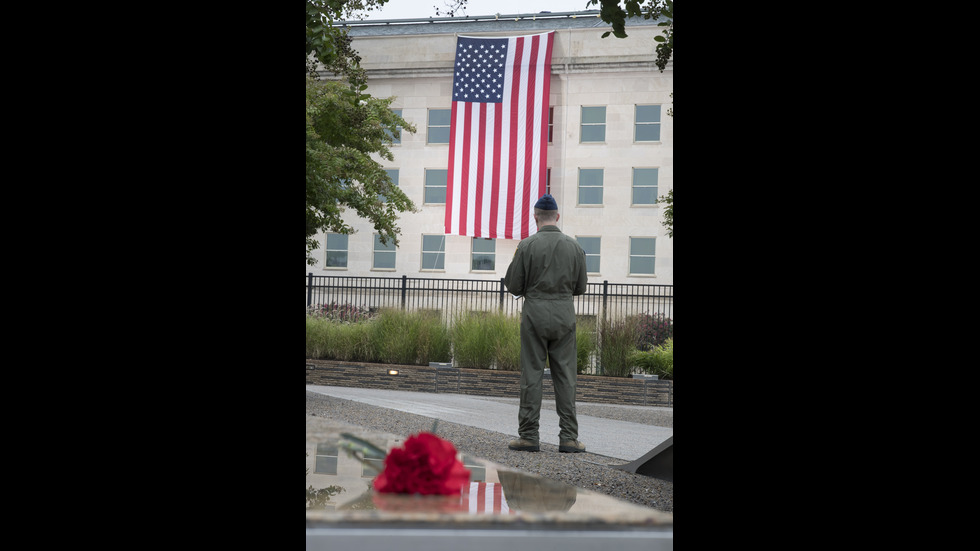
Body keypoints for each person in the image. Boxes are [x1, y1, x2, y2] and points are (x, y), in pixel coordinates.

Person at [503, 194, 588, 453]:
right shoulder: (574, 246)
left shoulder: (527, 246)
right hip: (564, 312)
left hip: (535, 313)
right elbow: (581, 287)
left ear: (535, 216)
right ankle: (569, 438)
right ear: (557, 217)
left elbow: (513, 284)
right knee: (566, 376)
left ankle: (529, 436)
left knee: (532, 374)